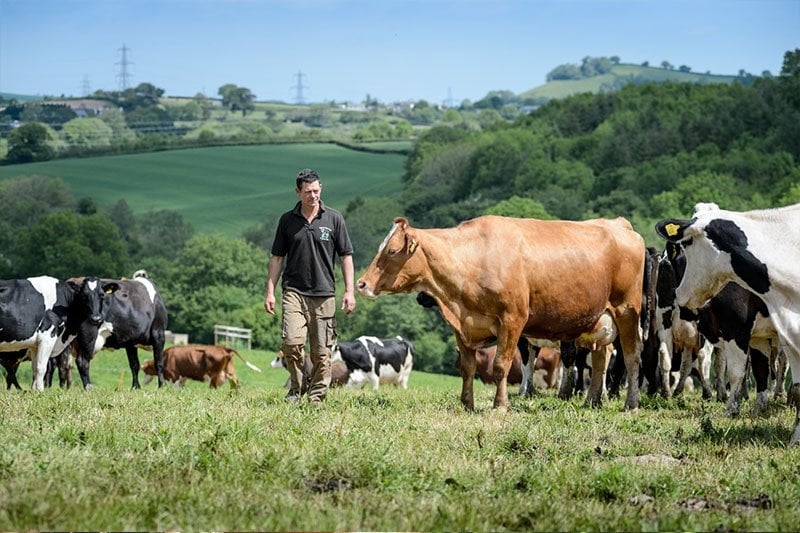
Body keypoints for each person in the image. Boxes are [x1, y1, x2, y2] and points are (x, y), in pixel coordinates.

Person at [264, 168, 356, 404]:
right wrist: (270, 292)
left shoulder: (334, 218)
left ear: (321, 188)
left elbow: (346, 256)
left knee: (322, 352)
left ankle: (316, 396)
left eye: (316, 190)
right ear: (297, 192)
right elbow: (276, 258)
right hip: (293, 291)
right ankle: (296, 388)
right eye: (307, 192)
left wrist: (349, 291)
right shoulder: (287, 221)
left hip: (324, 294)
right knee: (292, 343)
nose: (313, 196)